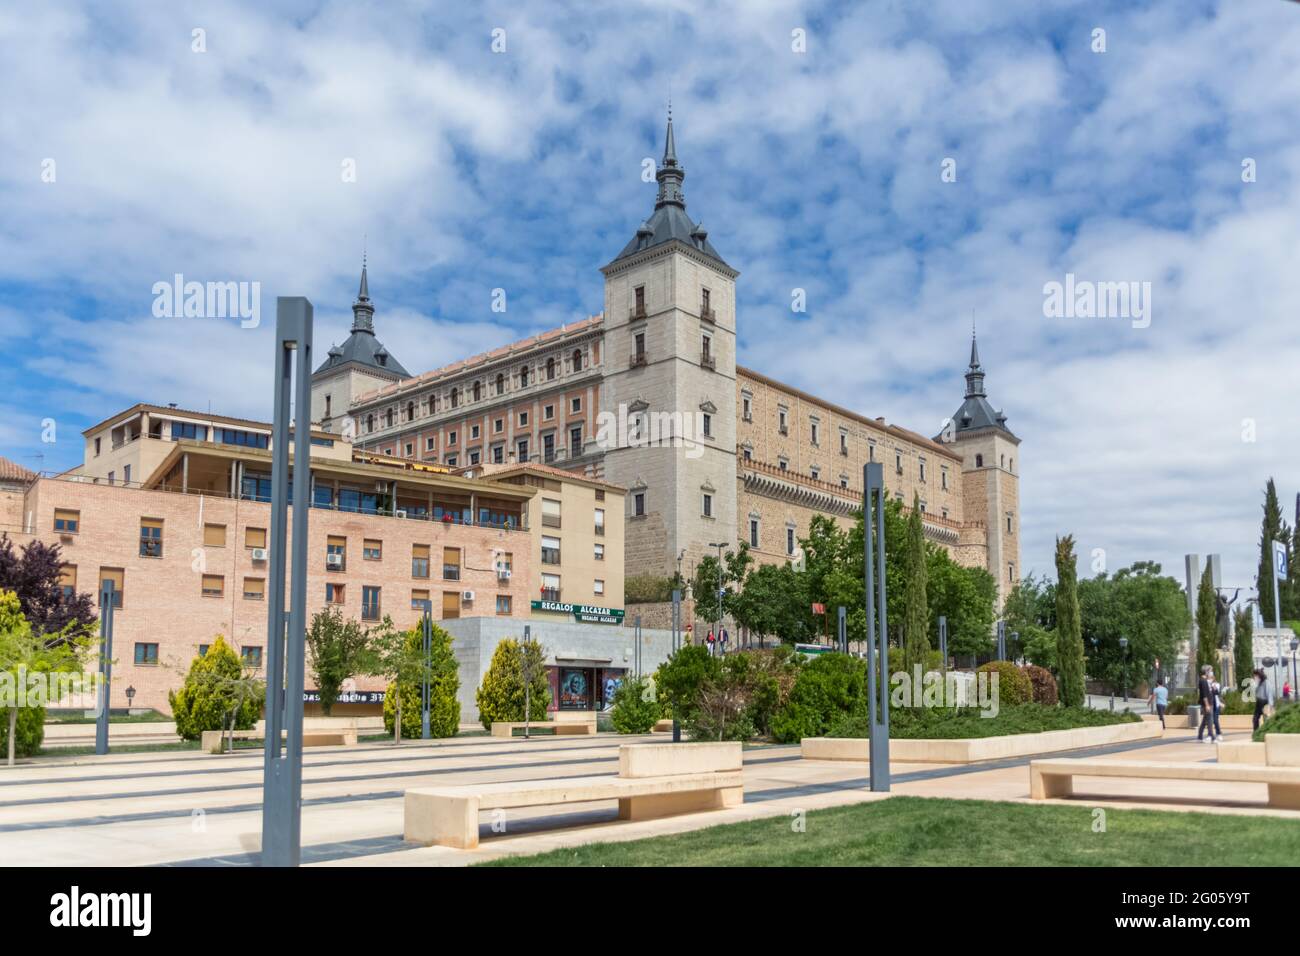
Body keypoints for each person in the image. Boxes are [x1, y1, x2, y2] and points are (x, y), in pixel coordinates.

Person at [1197, 665, 1217, 743]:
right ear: (1206, 671)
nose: (1211, 672)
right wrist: (1207, 705)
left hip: (1210, 702)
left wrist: (1213, 686)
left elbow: (1212, 692)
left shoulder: (1207, 681)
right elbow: (1204, 695)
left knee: (1206, 719)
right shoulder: (1203, 681)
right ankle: (1211, 736)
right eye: (1210, 671)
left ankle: (1200, 735)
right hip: (1207, 703)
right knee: (1210, 719)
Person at [1210, 671, 1224, 739]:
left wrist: (1212, 685)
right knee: (1211, 721)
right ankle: (1212, 734)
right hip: (1211, 705)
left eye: (1212, 677)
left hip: (1216, 705)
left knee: (1215, 720)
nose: (1211, 678)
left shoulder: (1217, 684)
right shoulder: (1207, 684)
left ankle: (1218, 733)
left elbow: (1216, 693)